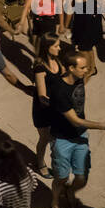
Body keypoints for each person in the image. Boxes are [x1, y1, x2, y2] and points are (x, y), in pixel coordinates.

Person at [46, 50, 105, 208]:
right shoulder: (59, 91)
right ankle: (55, 204)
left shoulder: (79, 79)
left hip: (80, 136)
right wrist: (103, 125)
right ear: (71, 68)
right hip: (62, 139)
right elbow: (75, 120)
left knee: (82, 177)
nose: (86, 70)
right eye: (82, 67)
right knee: (61, 177)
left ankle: (70, 192)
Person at [30, 33, 63, 176]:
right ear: (47, 47)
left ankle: (57, 165)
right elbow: (42, 97)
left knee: (56, 139)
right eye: (56, 46)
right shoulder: (39, 68)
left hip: (57, 107)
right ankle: (41, 164)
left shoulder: (58, 61)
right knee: (44, 139)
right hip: (44, 110)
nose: (59, 48)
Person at [68, 0, 104, 79]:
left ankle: (89, 69)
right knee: (87, 48)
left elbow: (101, 6)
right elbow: (70, 11)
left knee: (84, 49)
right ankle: (92, 68)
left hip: (91, 24)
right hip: (80, 23)